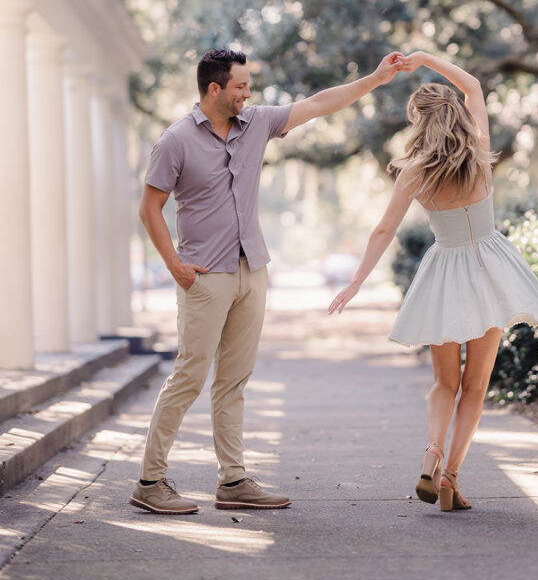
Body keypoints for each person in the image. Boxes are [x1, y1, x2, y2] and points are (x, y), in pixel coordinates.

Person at [131, 47, 403, 515]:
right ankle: (150, 481)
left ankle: (233, 480)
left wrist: (375, 79)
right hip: (204, 277)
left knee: (233, 382)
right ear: (214, 89)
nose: (248, 93)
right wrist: (174, 264)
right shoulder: (175, 140)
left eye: (248, 86)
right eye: (240, 86)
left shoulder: (255, 123)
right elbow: (149, 208)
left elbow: (318, 104)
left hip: (251, 271)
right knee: (189, 377)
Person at [329, 50, 538, 511]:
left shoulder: (414, 172)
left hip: (444, 276)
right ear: (455, 112)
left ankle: (431, 453)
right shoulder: (479, 149)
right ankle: (450, 478)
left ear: (419, 122)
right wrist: (424, 58)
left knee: (444, 384)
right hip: (492, 273)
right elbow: (472, 85)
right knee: (475, 387)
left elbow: (383, 231)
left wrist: (356, 282)